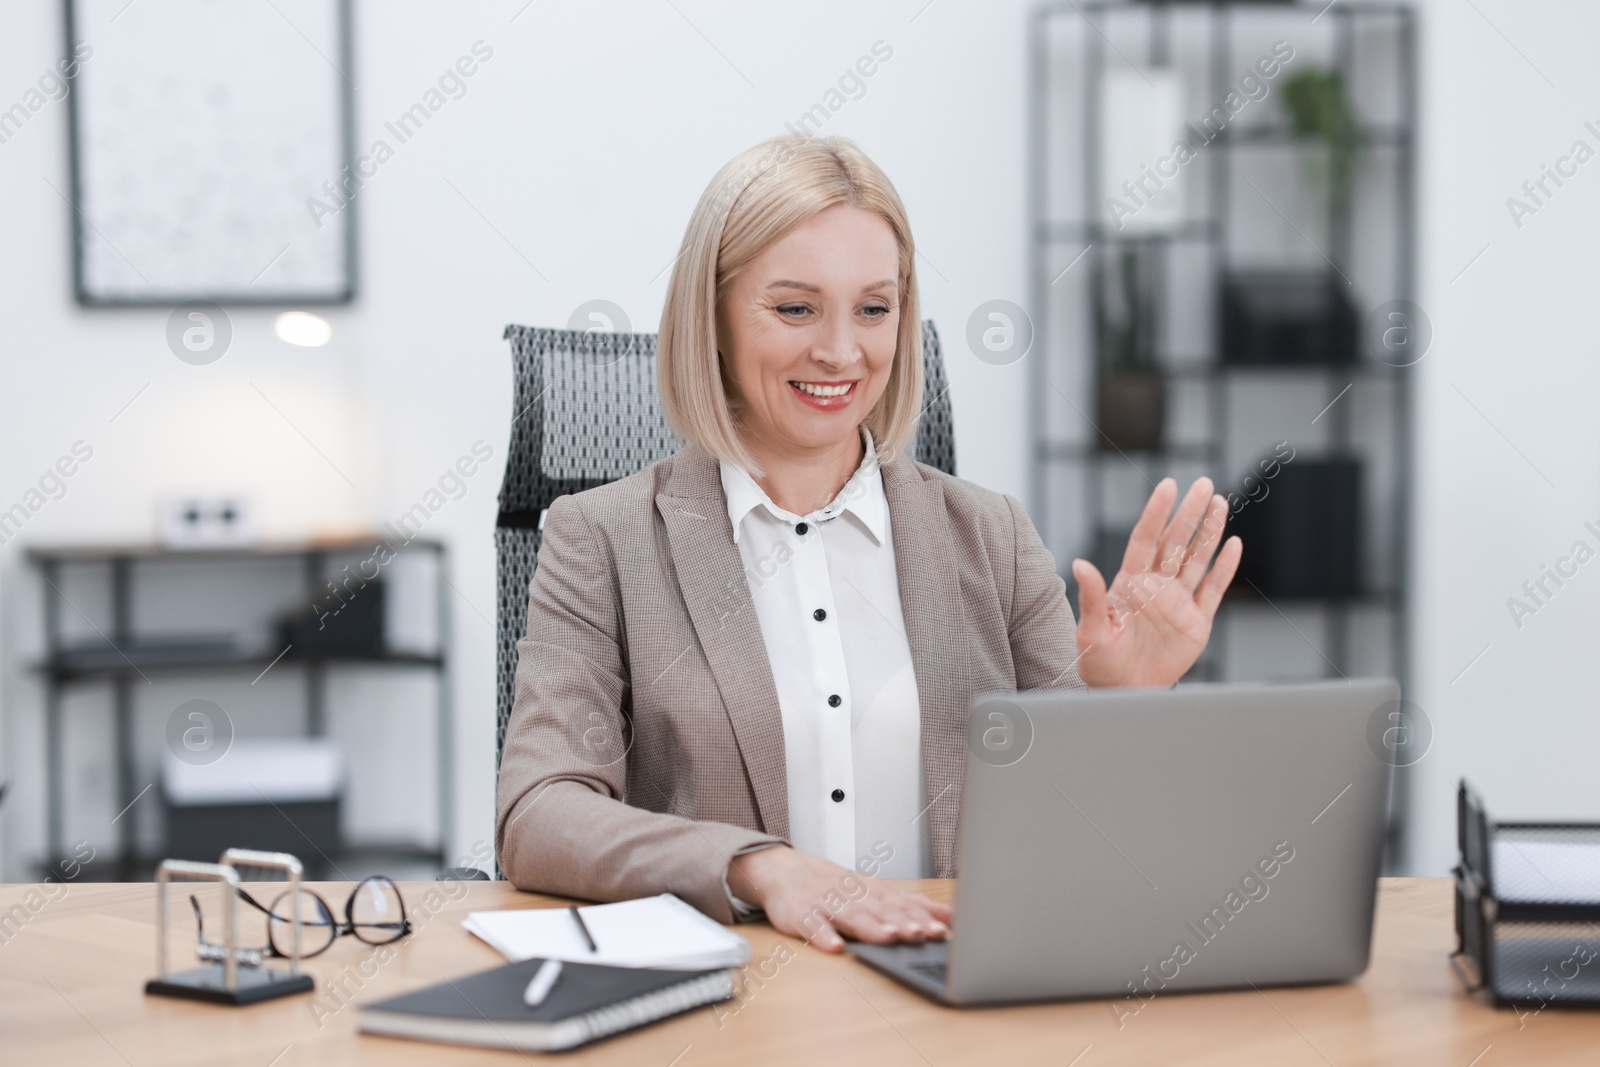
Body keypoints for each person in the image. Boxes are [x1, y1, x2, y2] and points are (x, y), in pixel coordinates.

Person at [496, 134, 1241, 953]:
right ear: (712, 316)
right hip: (731, 1003)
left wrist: (1122, 704)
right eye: (795, 307)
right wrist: (760, 867)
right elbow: (539, 813)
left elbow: (1085, 846)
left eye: (874, 308)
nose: (842, 351)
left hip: (952, 994)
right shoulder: (601, 538)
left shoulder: (991, 535)